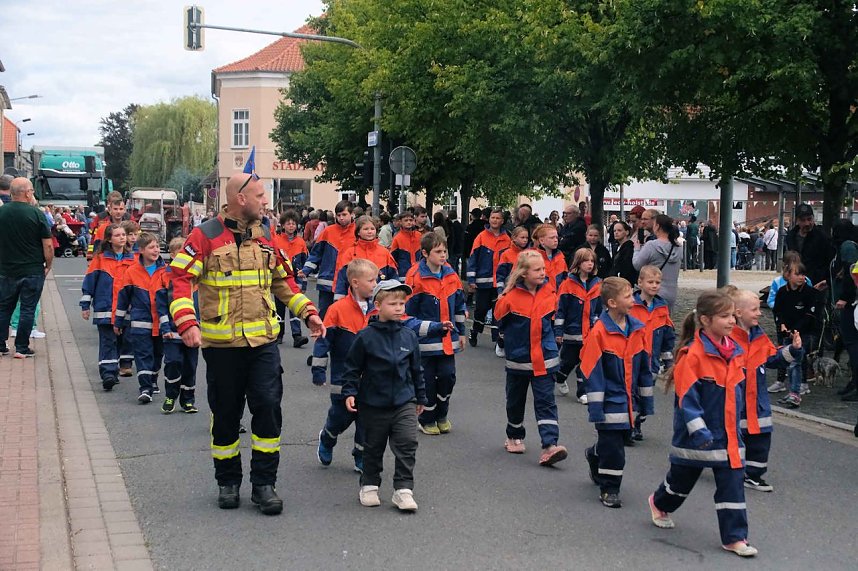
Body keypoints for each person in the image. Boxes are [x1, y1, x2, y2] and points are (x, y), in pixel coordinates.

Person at [168, 173, 325, 515]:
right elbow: (180, 279)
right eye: (259, 195)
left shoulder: (268, 236)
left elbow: (284, 283)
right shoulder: (205, 236)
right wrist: (186, 323)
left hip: (264, 344)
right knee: (225, 416)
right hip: (222, 348)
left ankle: (264, 485)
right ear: (241, 199)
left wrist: (308, 312)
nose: (266, 202)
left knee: (268, 409)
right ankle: (228, 482)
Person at [647, 290, 756, 557]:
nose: (732, 321)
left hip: (729, 437)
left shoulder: (737, 351)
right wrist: (699, 431)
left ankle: (735, 537)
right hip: (697, 438)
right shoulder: (692, 355)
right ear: (705, 320)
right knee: (680, 483)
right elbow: (687, 398)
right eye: (725, 316)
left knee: (732, 485)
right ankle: (659, 502)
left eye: (732, 315)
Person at [342, 280, 427, 512]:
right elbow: (352, 368)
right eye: (393, 303)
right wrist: (349, 392)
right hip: (373, 404)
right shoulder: (365, 337)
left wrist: (421, 397)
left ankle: (403, 490)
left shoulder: (409, 337)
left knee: (408, 442)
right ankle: (369, 484)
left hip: (404, 401)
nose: (399, 308)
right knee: (373, 446)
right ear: (378, 305)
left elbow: (416, 370)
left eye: (402, 303)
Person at [580, 276, 653, 508]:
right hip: (609, 402)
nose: (633, 299)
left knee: (617, 440)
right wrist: (596, 409)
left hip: (629, 402)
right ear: (612, 303)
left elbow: (644, 370)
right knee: (615, 449)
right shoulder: (600, 333)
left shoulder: (638, 330)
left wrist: (645, 403)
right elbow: (592, 372)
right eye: (628, 296)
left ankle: (594, 454)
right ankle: (610, 488)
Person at [494, 250, 568, 466]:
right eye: (537, 270)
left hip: (546, 360)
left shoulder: (549, 293)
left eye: (544, 269)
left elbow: (554, 320)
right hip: (519, 359)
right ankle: (514, 435)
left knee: (546, 402)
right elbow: (501, 322)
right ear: (523, 273)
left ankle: (549, 445)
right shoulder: (509, 299)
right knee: (515, 401)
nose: (543, 273)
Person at [729, 288, 802, 493]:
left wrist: (793, 349)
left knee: (761, 437)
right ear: (738, 312)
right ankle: (731, 468)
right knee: (734, 437)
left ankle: (753, 475)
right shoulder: (727, 339)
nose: (760, 313)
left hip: (758, 403)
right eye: (754, 309)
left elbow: (774, 358)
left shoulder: (759, 337)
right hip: (736, 402)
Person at [312, 259, 381, 473]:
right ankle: (328, 437)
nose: (375, 283)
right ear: (355, 282)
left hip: (371, 379)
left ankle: (361, 456)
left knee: (366, 421)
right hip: (343, 377)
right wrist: (318, 369)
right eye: (371, 280)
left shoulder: (379, 309)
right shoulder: (337, 310)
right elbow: (323, 341)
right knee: (341, 416)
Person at [405, 233, 466, 435]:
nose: (443, 255)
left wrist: (462, 332)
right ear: (425, 253)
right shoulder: (415, 276)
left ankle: (442, 414)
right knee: (427, 382)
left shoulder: (451, 274)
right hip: (424, 343)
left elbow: (459, 305)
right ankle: (427, 418)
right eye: (438, 251)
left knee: (448, 377)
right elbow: (407, 313)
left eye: (445, 251)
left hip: (448, 340)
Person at [0, 178, 53, 358]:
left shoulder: (2, 212)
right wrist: (48, 264)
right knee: (28, 308)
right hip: (32, 269)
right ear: (27, 193)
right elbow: (47, 245)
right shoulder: (36, 214)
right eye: (31, 190)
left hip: (6, 270)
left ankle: (1, 344)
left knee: (4, 307)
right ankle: (21, 347)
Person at [114, 232, 168, 403]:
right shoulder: (132, 272)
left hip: (161, 323)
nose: (156, 250)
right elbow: (123, 299)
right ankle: (145, 388)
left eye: (158, 247)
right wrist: (118, 321)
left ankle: (152, 380)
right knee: (143, 355)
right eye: (152, 247)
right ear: (142, 250)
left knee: (158, 354)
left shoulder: (165, 271)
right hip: (140, 323)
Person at [80, 224, 135, 389]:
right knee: (107, 340)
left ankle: (118, 367)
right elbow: (89, 282)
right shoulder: (100, 259)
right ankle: (108, 374)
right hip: (105, 307)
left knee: (123, 340)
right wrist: (85, 305)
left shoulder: (132, 260)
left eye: (123, 235)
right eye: (118, 235)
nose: (122, 238)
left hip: (125, 309)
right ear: (110, 239)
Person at [629, 266, 675, 441]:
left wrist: (668, 360)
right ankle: (631, 425)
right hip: (632, 358)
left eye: (657, 282)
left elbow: (667, 335)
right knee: (631, 390)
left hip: (651, 360)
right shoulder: (630, 305)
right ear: (640, 283)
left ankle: (639, 420)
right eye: (650, 282)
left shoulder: (662, 307)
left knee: (646, 393)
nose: (654, 286)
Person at [554, 248, 602, 403]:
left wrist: (598, 324)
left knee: (585, 364)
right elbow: (561, 310)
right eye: (586, 261)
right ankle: (560, 377)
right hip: (571, 332)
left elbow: (600, 309)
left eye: (592, 261)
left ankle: (582, 392)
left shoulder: (597, 284)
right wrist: (558, 332)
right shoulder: (568, 284)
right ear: (578, 263)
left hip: (590, 332)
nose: (589, 264)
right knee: (568, 362)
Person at [160, 238, 199, 414]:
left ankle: (188, 400)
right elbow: (161, 306)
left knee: (190, 367)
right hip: (173, 334)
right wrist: (166, 328)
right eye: (178, 252)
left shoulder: (197, 279)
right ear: (173, 254)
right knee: (173, 363)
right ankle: (171, 395)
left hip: (193, 334)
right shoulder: (166, 278)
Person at [771, 262, 819, 408]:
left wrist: (796, 330)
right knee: (786, 359)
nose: (801, 277)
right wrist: (782, 325)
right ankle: (790, 387)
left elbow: (810, 314)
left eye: (803, 274)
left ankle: (796, 391)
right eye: (797, 274)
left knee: (797, 361)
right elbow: (777, 311)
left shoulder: (809, 292)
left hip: (802, 332)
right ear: (788, 275)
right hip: (787, 330)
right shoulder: (782, 292)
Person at [300, 200, 355, 318]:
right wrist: (305, 271)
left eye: (344, 215)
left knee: (346, 318)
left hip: (349, 283)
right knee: (326, 316)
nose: (341, 218)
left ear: (352, 214)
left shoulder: (357, 233)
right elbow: (316, 254)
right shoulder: (328, 232)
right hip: (327, 283)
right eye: (338, 215)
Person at [467, 209, 511, 347]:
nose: (495, 220)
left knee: (498, 311)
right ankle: (474, 331)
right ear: (489, 219)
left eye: (498, 218)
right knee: (481, 310)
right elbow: (473, 258)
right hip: (483, 282)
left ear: (502, 221)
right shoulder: (481, 237)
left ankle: (498, 340)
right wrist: (471, 280)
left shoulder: (507, 238)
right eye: (493, 217)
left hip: (500, 283)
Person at [333, 216, 398, 299]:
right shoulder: (350, 253)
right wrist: (339, 299)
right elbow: (342, 279)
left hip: (380, 300)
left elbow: (393, 277)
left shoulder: (384, 252)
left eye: (372, 229)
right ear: (358, 232)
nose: (370, 232)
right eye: (366, 229)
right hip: (355, 299)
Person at [273, 210, 310, 348]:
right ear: (282, 225)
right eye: (288, 224)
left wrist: (303, 283)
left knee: (295, 308)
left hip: (295, 280)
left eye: (293, 224)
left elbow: (305, 263)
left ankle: (297, 335)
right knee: (279, 309)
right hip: (281, 279)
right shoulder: (276, 241)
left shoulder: (300, 242)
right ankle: (279, 334)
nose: (291, 226)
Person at [633, 214, 682, 309]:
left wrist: (637, 249)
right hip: (672, 292)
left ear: (657, 226)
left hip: (653, 292)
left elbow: (637, 265)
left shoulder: (651, 245)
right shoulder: (678, 247)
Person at [832, 220, 858, 400]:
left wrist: (845, 297)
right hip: (851, 300)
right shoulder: (851, 245)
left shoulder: (847, 247)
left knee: (852, 343)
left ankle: (856, 382)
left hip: (851, 302)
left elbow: (851, 272)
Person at [784, 203, 834, 286]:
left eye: (809, 219)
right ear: (797, 221)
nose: (807, 223)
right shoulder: (791, 236)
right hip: (796, 282)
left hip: (817, 282)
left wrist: (825, 279)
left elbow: (829, 259)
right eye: (803, 220)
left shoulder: (821, 236)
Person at [88, 192, 129, 260]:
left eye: (120, 208)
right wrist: (90, 257)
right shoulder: (100, 218)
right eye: (115, 208)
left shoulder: (130, 220)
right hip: (106, 257)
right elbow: (94, 239)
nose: (118, 211)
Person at [495, 226, 530, 294]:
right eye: (522, 237)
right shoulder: (506, 254)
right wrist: (500, 292)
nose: (525, 240)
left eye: (527, 238)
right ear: (514, 238)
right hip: (509, 291)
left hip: (526, 291)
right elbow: (500, 275)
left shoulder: (529, 253)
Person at [390, 211, 423, 281]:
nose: (409, 222)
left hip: (419, 271)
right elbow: (393, 258)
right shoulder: (397, 238)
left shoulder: (419, 235)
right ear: (400, 222)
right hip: (403, 273)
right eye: (406, 220)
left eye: (410, 220)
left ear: (414, 221)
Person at [532, 224, 566, 291]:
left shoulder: (561, 258)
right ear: (542, 240)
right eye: (552, 238)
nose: (556, 240)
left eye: (556, 237)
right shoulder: (531, 258)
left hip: (557, 298)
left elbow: (565, 281)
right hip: (540, 298)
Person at [610, 221, 638, 285]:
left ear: (627, 232)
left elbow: (626, 267)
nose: (616, 233)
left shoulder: (629, 247)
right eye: (614, 231)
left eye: (619, 230)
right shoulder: (617, 247)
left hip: (625, 282)